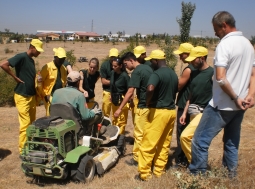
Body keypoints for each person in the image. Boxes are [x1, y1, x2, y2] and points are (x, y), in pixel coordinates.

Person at [188, 11, 255, 179]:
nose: (215, 33)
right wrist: (250, 95)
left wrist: (234, 97)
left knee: (199, 141)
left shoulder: (225, 45)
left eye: (216, 29)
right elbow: (253, 75)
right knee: (231, 144)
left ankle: (198, 178)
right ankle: (230, 178)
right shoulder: (248, 44)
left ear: (224, 25)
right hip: (239, 107)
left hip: (222, 104)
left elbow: (221, 78)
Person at [137, 50, 178, 181]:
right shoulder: (173, 73)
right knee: (164, 143)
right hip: (171, 112)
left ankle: (145, 175)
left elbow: (150, 88)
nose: (150, 63)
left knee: (148, 143)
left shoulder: (157, 74)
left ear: (156, 61)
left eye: (151, 61)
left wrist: (148, 102)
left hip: (158, 112)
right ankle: (159, 170)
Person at [0, 39, 44, 154]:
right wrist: (14, 77)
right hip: (22, 96)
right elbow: (3, 64)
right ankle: (23, 151)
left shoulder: (31, 61)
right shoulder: (21, 57)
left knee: (32, 123)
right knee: (25, 125)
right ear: (32, 47)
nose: (39, 53)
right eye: (38, 50)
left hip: (31, 96)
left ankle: (31, 146)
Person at [114, 52, 153, 166]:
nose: (125, 67)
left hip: (143, 106)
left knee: (139, 133)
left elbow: (130, 91)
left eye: (126, 64)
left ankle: (137, 158)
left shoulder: (137, 71)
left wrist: (120, 108)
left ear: (131, 60)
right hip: (151, 106)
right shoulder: (148, 68)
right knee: (147, 132)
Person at [179, 46, 213, 165]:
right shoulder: (194, 73)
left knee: (184, 137)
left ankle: (196, 164)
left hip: (204, 112)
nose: (192, 62)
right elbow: (190, 95)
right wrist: (184, 113)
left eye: (194, 59)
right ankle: (197, 167)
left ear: (202, 58)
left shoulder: (212, 73)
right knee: (194, 140)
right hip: (192, 111)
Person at [173, 42, 195, 167]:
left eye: (182, 54)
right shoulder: (197, 67)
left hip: (184, 103)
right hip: (194, 103)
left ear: (188, 54)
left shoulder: (188, 69)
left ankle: (182, 159)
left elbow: (178, 86)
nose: (180, 57)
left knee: (182, 132)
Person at [39, 47, 67, 116]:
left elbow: (64, 83)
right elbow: (39, 82)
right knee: (50, 115)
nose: (62, 61)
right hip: (49, 96)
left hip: (60, 96)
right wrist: (45, 95)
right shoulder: (47, 67)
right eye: (60, 59)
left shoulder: (63, 68)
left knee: (60, 115)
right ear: (55, 57)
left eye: (63, 59)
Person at [110, 58, 130, 134]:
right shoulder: (112, 73)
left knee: (121, 120)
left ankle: (120, 137)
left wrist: (129, 101)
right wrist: (111, 95)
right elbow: (112, 85)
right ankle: (114, 135)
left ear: (120, 66)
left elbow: (130, 90)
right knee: (114, 118)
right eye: (112, 66)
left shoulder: (125, 76)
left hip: (122, 99)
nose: (113, 67)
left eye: (115, 66)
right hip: (114, 99)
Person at [100, 48, 119, 117]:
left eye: (115, 57)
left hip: (118, 92)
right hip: (107, 91)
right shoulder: (105, 65)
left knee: (117, 113)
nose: (113, 59)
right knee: (105, 113)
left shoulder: (121, 65)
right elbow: (104, 81)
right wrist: (116, 83)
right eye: (112, 57)